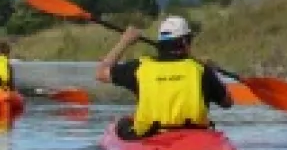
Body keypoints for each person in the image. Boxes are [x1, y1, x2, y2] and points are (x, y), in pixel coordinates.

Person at [96, 15, 232, 139]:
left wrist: (124, 41)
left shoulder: (140, 67)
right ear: (185, 42)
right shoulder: (201, 69)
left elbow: (101, 73)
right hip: (197, 137)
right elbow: (227, 103)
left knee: (122, 122)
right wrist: (212, 72)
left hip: (150, 135)